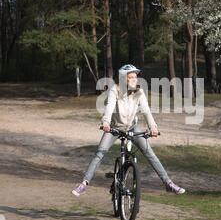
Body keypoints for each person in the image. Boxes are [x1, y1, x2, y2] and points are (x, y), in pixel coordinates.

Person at [72, 64, 185, 196]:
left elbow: (146, 111)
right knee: (100, 153)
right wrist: (106, 123)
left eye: (135, 77)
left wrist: (153, 127)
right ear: (123, 79)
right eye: (131, 77)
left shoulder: (139, 92)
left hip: (132, 127)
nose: (134, 80)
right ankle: (84, 184)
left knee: (149, 152)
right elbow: (109, 108)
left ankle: (168, 183)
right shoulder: (115, 90)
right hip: (113, 127)